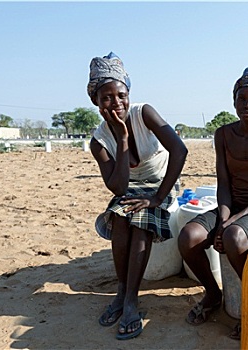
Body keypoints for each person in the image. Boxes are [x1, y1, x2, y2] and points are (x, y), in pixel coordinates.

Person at [178, 63, 248, 340]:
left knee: (234, 238)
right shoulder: (224, 135)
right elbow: (224, 184)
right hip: (232, 206)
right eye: (242, 98)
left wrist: (231, 223)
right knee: (188, 237)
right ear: (234, 100)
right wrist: (223, 220)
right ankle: (213, 294)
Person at [88, 52, 187, 340]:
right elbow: (118, 188)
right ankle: (121, 292)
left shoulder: (144, 113)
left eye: (121, 95)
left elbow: (179, 151)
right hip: (129, 188)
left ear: (128, 93)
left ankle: (130, 299)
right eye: (106, 98)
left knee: (141, 220)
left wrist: (158, 197)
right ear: (96, 101)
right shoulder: (100, 140)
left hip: (161, 184)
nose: (116, 103)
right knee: (121, 218)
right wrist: (121, 139)